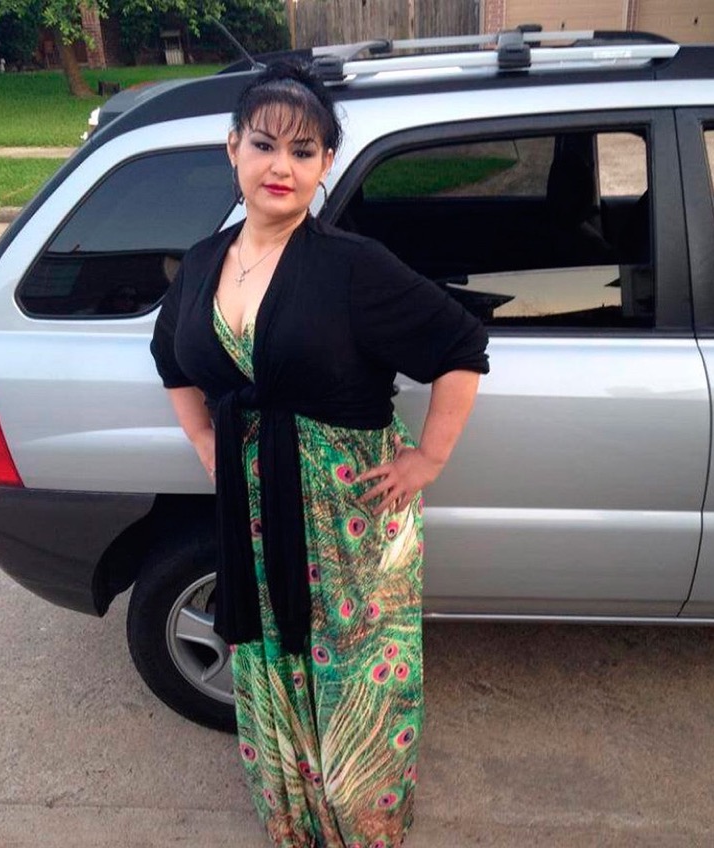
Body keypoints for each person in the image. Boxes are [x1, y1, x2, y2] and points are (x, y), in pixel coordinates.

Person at [150, 61, 489, 848]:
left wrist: (428, 459)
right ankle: (294, 818)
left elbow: (460, 347)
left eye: (304, 151)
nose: (282, 166)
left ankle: (363, 828)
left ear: (326, 163)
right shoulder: (203, 262)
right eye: (264, 144)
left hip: (352, 519)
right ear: (232, 148)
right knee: (271, 659)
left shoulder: (350, 265)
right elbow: (171, 357)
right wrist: (202, 438)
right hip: (255, 508)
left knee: (357, 683)